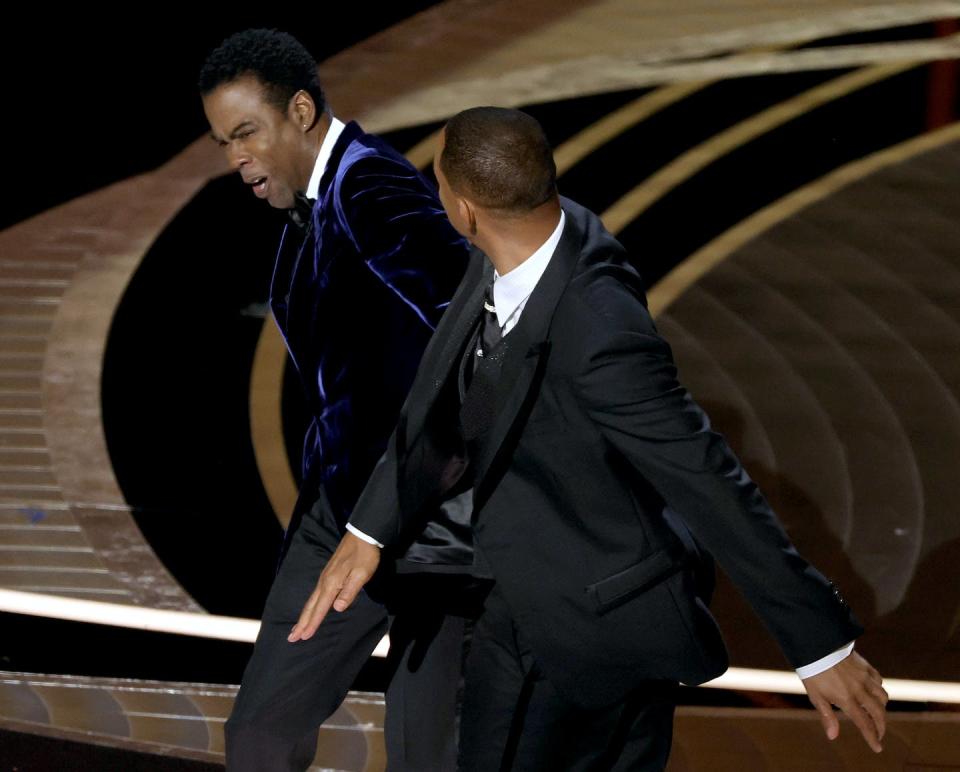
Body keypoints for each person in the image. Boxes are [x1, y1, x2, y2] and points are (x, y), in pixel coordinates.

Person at [289, 107, 890, 771]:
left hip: (583, 631)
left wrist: (820, 646)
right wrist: (370, 529)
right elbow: (443, 389)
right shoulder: (531, 234)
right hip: (552, 606)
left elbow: (708, 479)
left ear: (463, 210)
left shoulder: (600, 332)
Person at [199, 29, 479, 772]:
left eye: (246, 133)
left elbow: (472, 314)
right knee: (260, 732)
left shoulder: (369, 185)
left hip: (426, 525)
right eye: (224, 142)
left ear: (299, 110)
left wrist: (416, 481)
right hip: (340, 515)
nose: (236, 159)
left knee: (429, 754)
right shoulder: (306, 213)